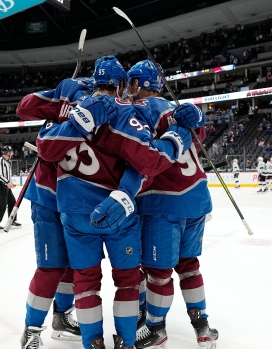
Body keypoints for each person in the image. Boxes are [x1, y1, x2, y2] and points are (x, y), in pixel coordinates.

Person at [37, 56, 192, 349]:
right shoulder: (124, 111)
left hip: (73, 213)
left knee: (85, 280)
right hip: (117, 213)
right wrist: (179, 135)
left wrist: (68, 106)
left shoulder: (68, 106)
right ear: (122, 84)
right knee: (128, 281)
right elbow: (149, 160)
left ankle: (92, 342)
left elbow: (44, 146)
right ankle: (126, 341)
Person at [112, 60, 217, 349]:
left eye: (129, 84)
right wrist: (199, 121)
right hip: (197, 198)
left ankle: (156, 329)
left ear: (135, 84)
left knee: (158, 273)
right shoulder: (178, 111)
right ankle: (202, 325)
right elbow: (197, 140)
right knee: (189, 265)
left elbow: (140, 155)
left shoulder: (139, 110)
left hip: (163, 202)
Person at [15, 77, 95, 347]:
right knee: (50, 268)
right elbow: (23, 108)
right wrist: (57, 95)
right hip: (48, 199)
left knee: (72, 266)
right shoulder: (58, 108)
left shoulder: (100, 106)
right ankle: (32, 329)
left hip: (76, 202)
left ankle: (61, 317)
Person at [0, 145, 21, 232]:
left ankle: (12, 221)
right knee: (1, 206)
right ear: (7, 152)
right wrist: (8, 182)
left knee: (12, 203)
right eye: (10, 152)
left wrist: (9, 183)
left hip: (5, 186)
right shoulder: (1, 161)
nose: (12, 153)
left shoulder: (6, 162)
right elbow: (0, 175)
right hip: (0, 186)